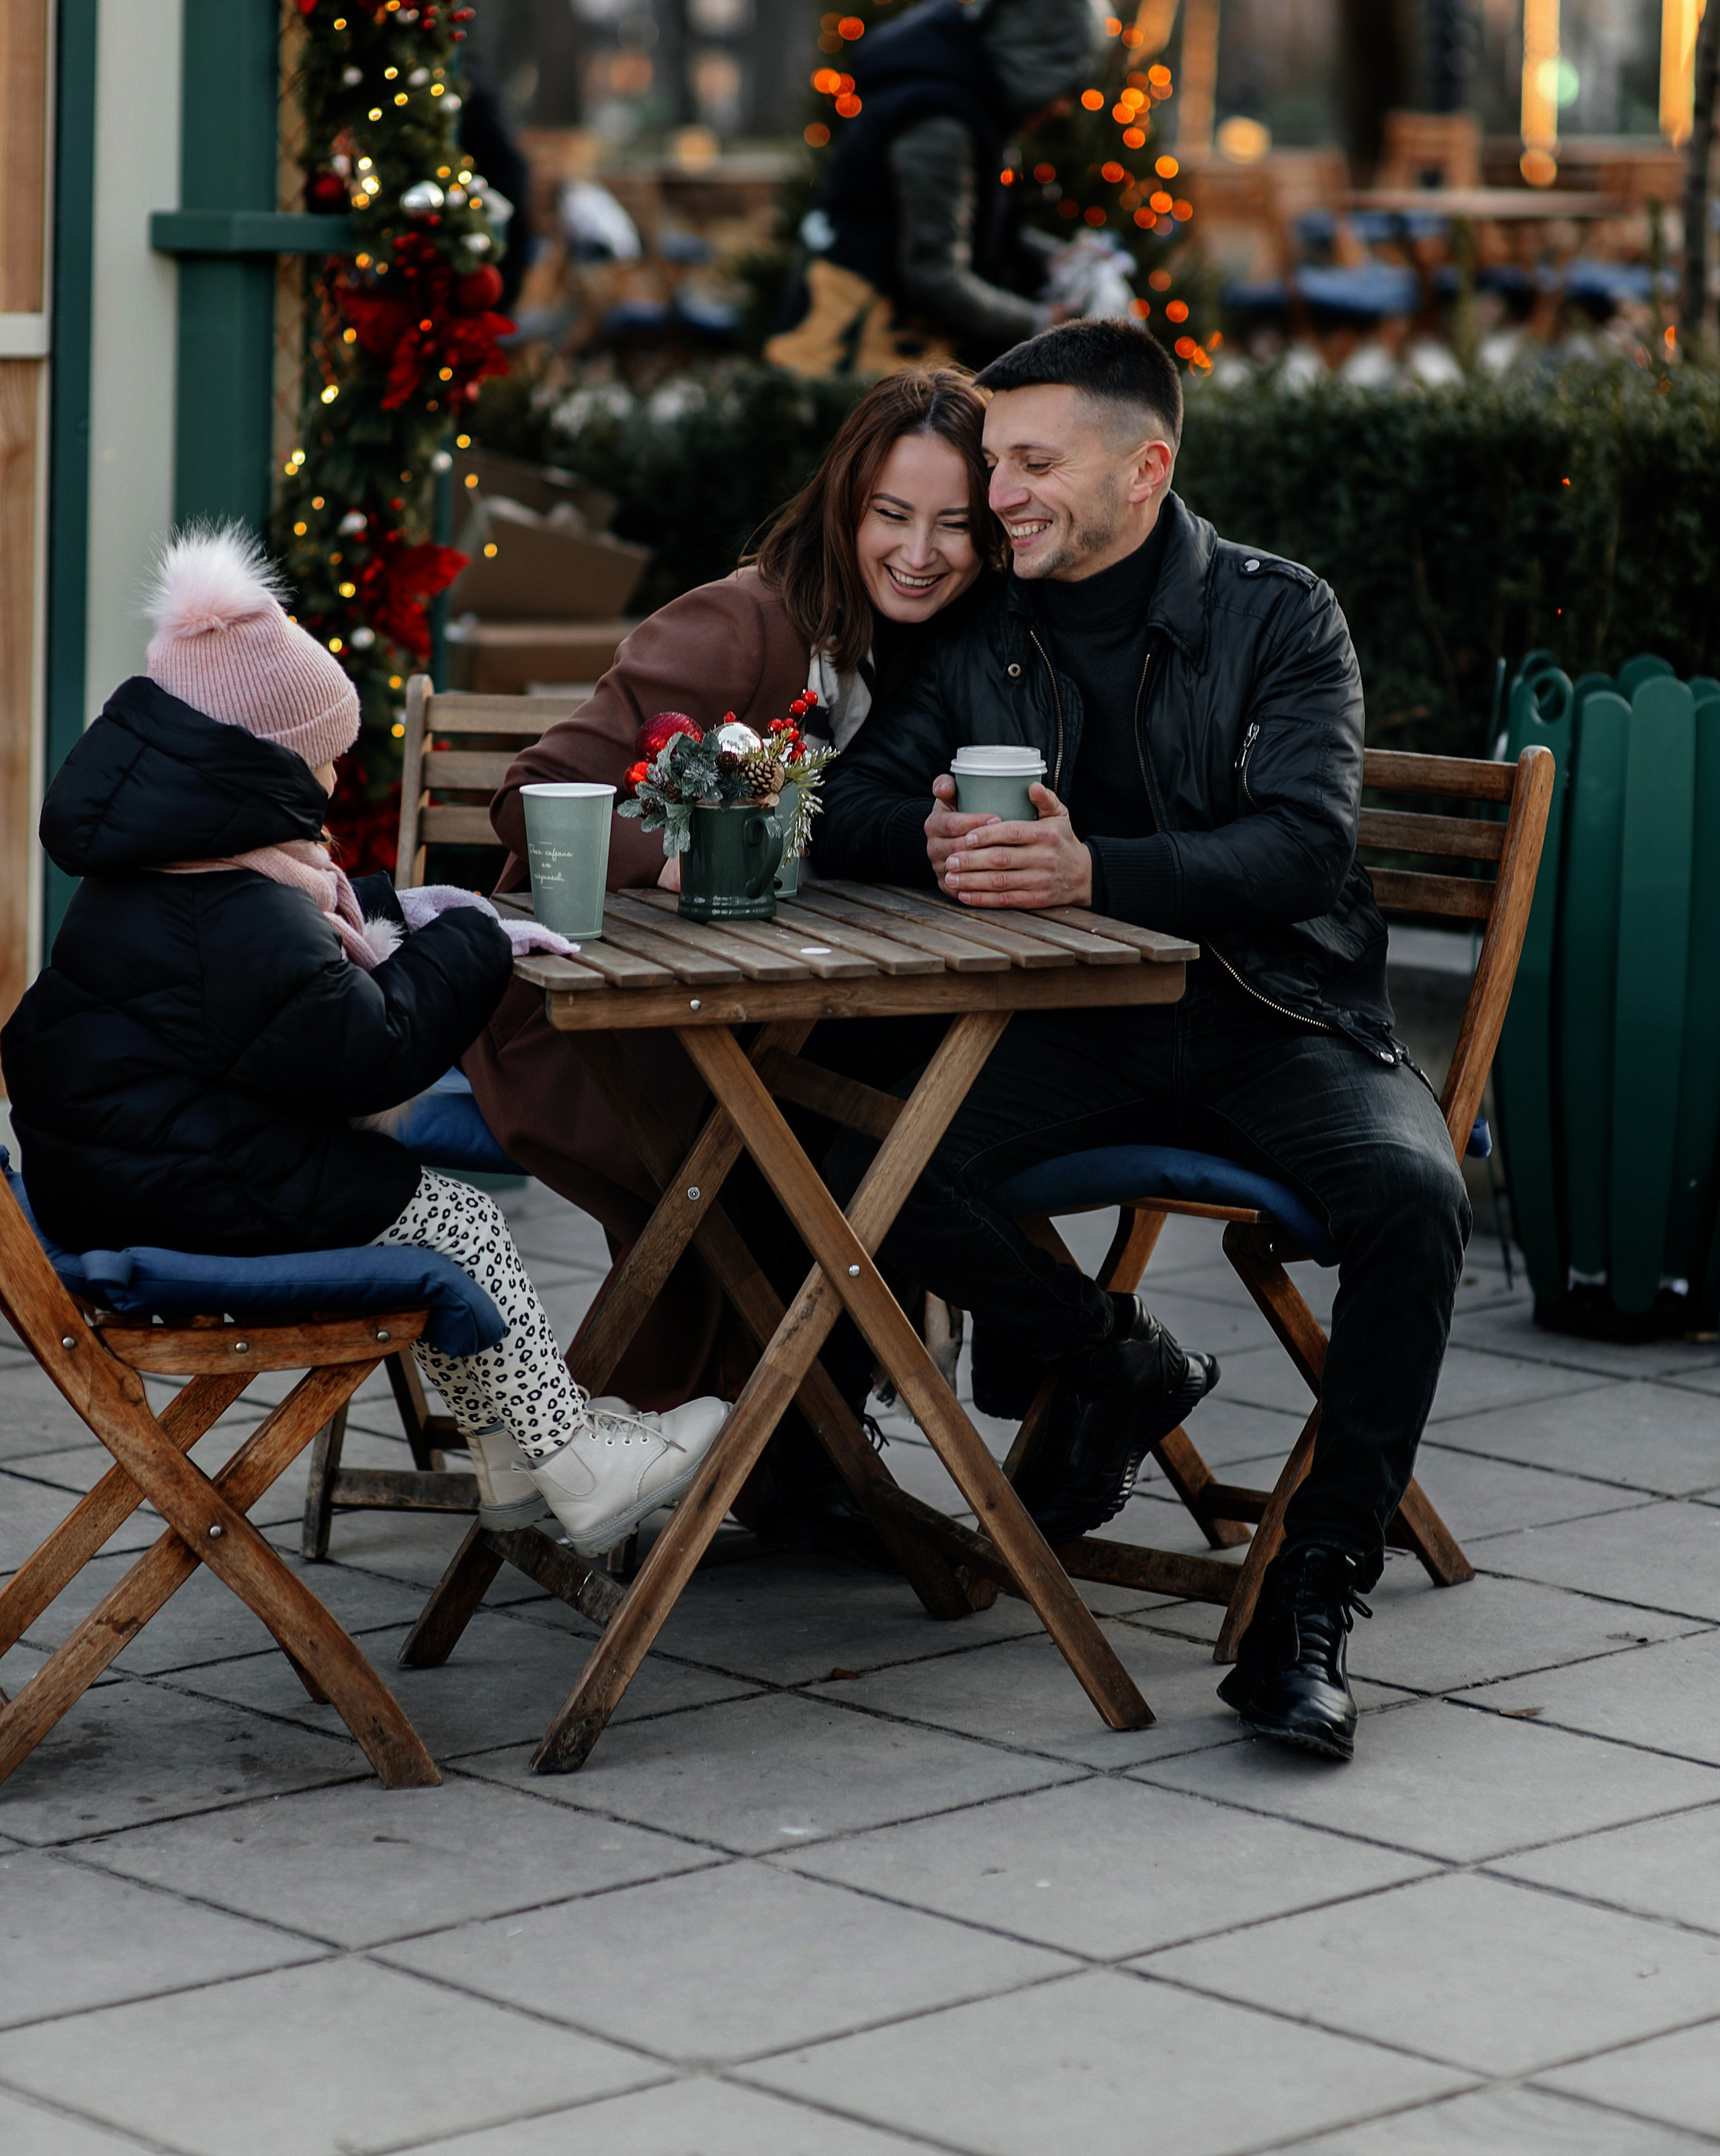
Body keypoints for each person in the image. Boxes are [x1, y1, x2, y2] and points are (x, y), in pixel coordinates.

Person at [813, 319, 1470, 1763]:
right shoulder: (985, 628)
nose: (1002, 497)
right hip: (1066, 1030)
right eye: (998, 464)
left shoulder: (1278, 615)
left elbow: (1301, 846)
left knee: (1415, 1200)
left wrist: (1088, 871)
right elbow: (848, 802)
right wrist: (936, 844)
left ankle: (1311, 1589)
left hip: (1272, 1018)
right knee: (853, 1152)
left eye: (1034, 464)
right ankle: (1113, 1365)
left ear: (1143, 467)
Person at [1, 527, 728, 1559]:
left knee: (424, 1212)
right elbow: (368, 1050)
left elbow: (269, 993)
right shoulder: (233, 906)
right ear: (258, 761)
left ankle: (519, 1458)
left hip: (132, 1161)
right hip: (173, 1189)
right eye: (320, 758)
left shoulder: (181, 860)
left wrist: (401, 911)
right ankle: (571, 1458)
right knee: (454, 1221)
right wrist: (473, 935)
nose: (336, 782)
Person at [466, 367, 1002, 1529]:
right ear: (844, 507)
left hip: (771, 1012)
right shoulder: (744, 619)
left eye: (958, 523)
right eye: (893, 516)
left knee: (894, 1135)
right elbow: (528, 794)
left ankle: (765, 1450)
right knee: (793, 1157)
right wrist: (674, 854)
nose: (922, 551)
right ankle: (626, 1439)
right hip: (590, 1020)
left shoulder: (938, 654)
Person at [765, 0, 1111, 380]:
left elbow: (978, 228)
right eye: (1066, 87)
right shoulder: (939, 124)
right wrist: (1040, 326)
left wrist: (1057, 260)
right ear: (1033, 61)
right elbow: (933, 274)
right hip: (852, 356)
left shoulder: (962, 102)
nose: (1063, 108)